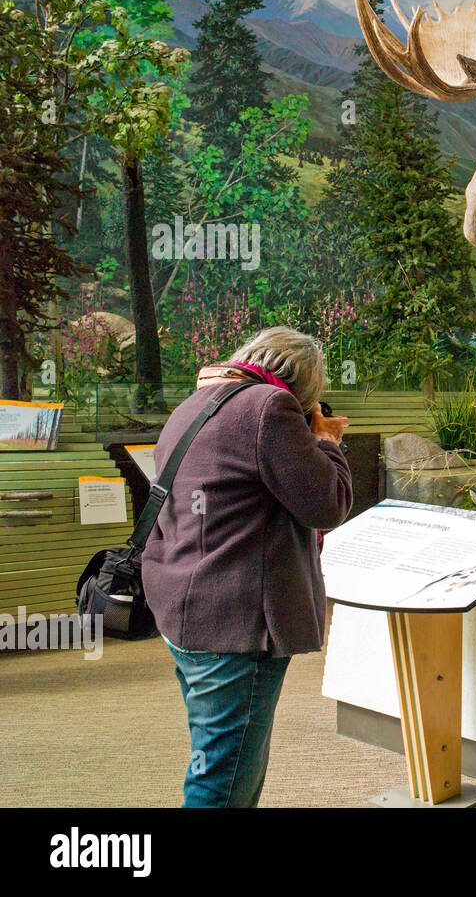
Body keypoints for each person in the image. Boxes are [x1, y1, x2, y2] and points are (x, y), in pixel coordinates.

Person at [141, 326, 353, 807]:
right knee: (226, 774)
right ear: (304, 387)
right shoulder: (268, 409)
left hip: (184, 606)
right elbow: (327, 505)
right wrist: (325, 441)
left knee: (215, 752)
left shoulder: (195, 403)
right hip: (233, 624)